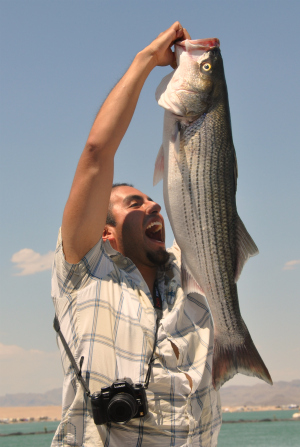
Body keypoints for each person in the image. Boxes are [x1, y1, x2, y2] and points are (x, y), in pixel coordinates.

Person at [51, 22, 222, 447]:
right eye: (133, 204)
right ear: (104, 234)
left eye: (151, 199)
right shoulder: (86, 277)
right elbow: (96, 153)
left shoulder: (192, 279)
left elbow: (210, 199)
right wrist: (146, 60)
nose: (152, 205)